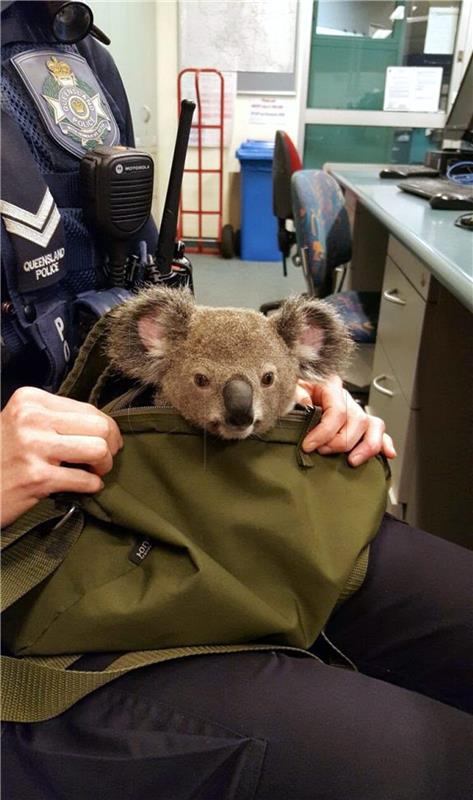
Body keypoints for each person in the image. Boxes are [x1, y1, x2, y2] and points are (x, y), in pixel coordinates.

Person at [1, 3, 472, 799]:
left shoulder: (61, 45)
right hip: (35, 575)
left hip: (153, 481)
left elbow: (119, 306)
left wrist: (287, 390)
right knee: (424, 763)